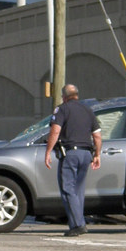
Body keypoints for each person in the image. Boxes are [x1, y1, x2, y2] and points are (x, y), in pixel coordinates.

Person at [44, 84, 102, 237]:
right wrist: (97, 154)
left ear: (64, 96)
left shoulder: (62, 109)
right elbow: (97, 135)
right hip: (86, 154)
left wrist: (48, 151)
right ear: (77, 95)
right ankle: (75, 224)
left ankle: (78, 224)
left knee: (67, 189)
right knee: (78, 191)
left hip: (70, 154)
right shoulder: (88, 110)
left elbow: (55, 130)